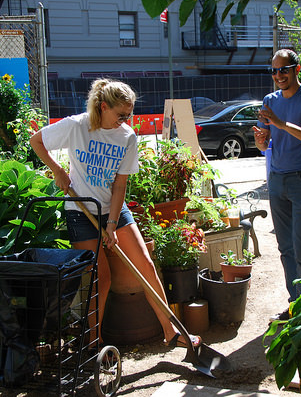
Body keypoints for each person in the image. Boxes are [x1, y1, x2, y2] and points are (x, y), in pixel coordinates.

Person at [30, 78, 200, 348]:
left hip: (113, 209)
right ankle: (94, 343)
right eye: (121, 114)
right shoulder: (77, 126)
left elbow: (120, 183)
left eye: (129, 115)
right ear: (103, 106)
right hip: (81, 211)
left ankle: (172, 332)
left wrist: (111, 224)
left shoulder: (126, 137)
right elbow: (36, 141)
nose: (125, 120)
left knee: (145, 264)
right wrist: (57, 170)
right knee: (102, 277)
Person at [253, 49, 301, 321]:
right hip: (277, 179)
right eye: (274, 71)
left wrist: (281, 124)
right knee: (285, 249)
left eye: (283, 70)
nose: (278, 75)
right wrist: (262, 141)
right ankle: (296, 305)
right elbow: (265, 143)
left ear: (297, 69)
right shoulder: (270, 100)